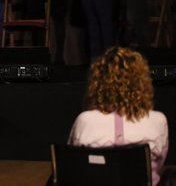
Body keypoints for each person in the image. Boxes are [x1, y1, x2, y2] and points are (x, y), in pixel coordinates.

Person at [68, 47, 168, 186]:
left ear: (97, 83)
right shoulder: (157, 120)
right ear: (141, 82)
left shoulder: (85, 120)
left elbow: (73, 162)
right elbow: (159, 165)